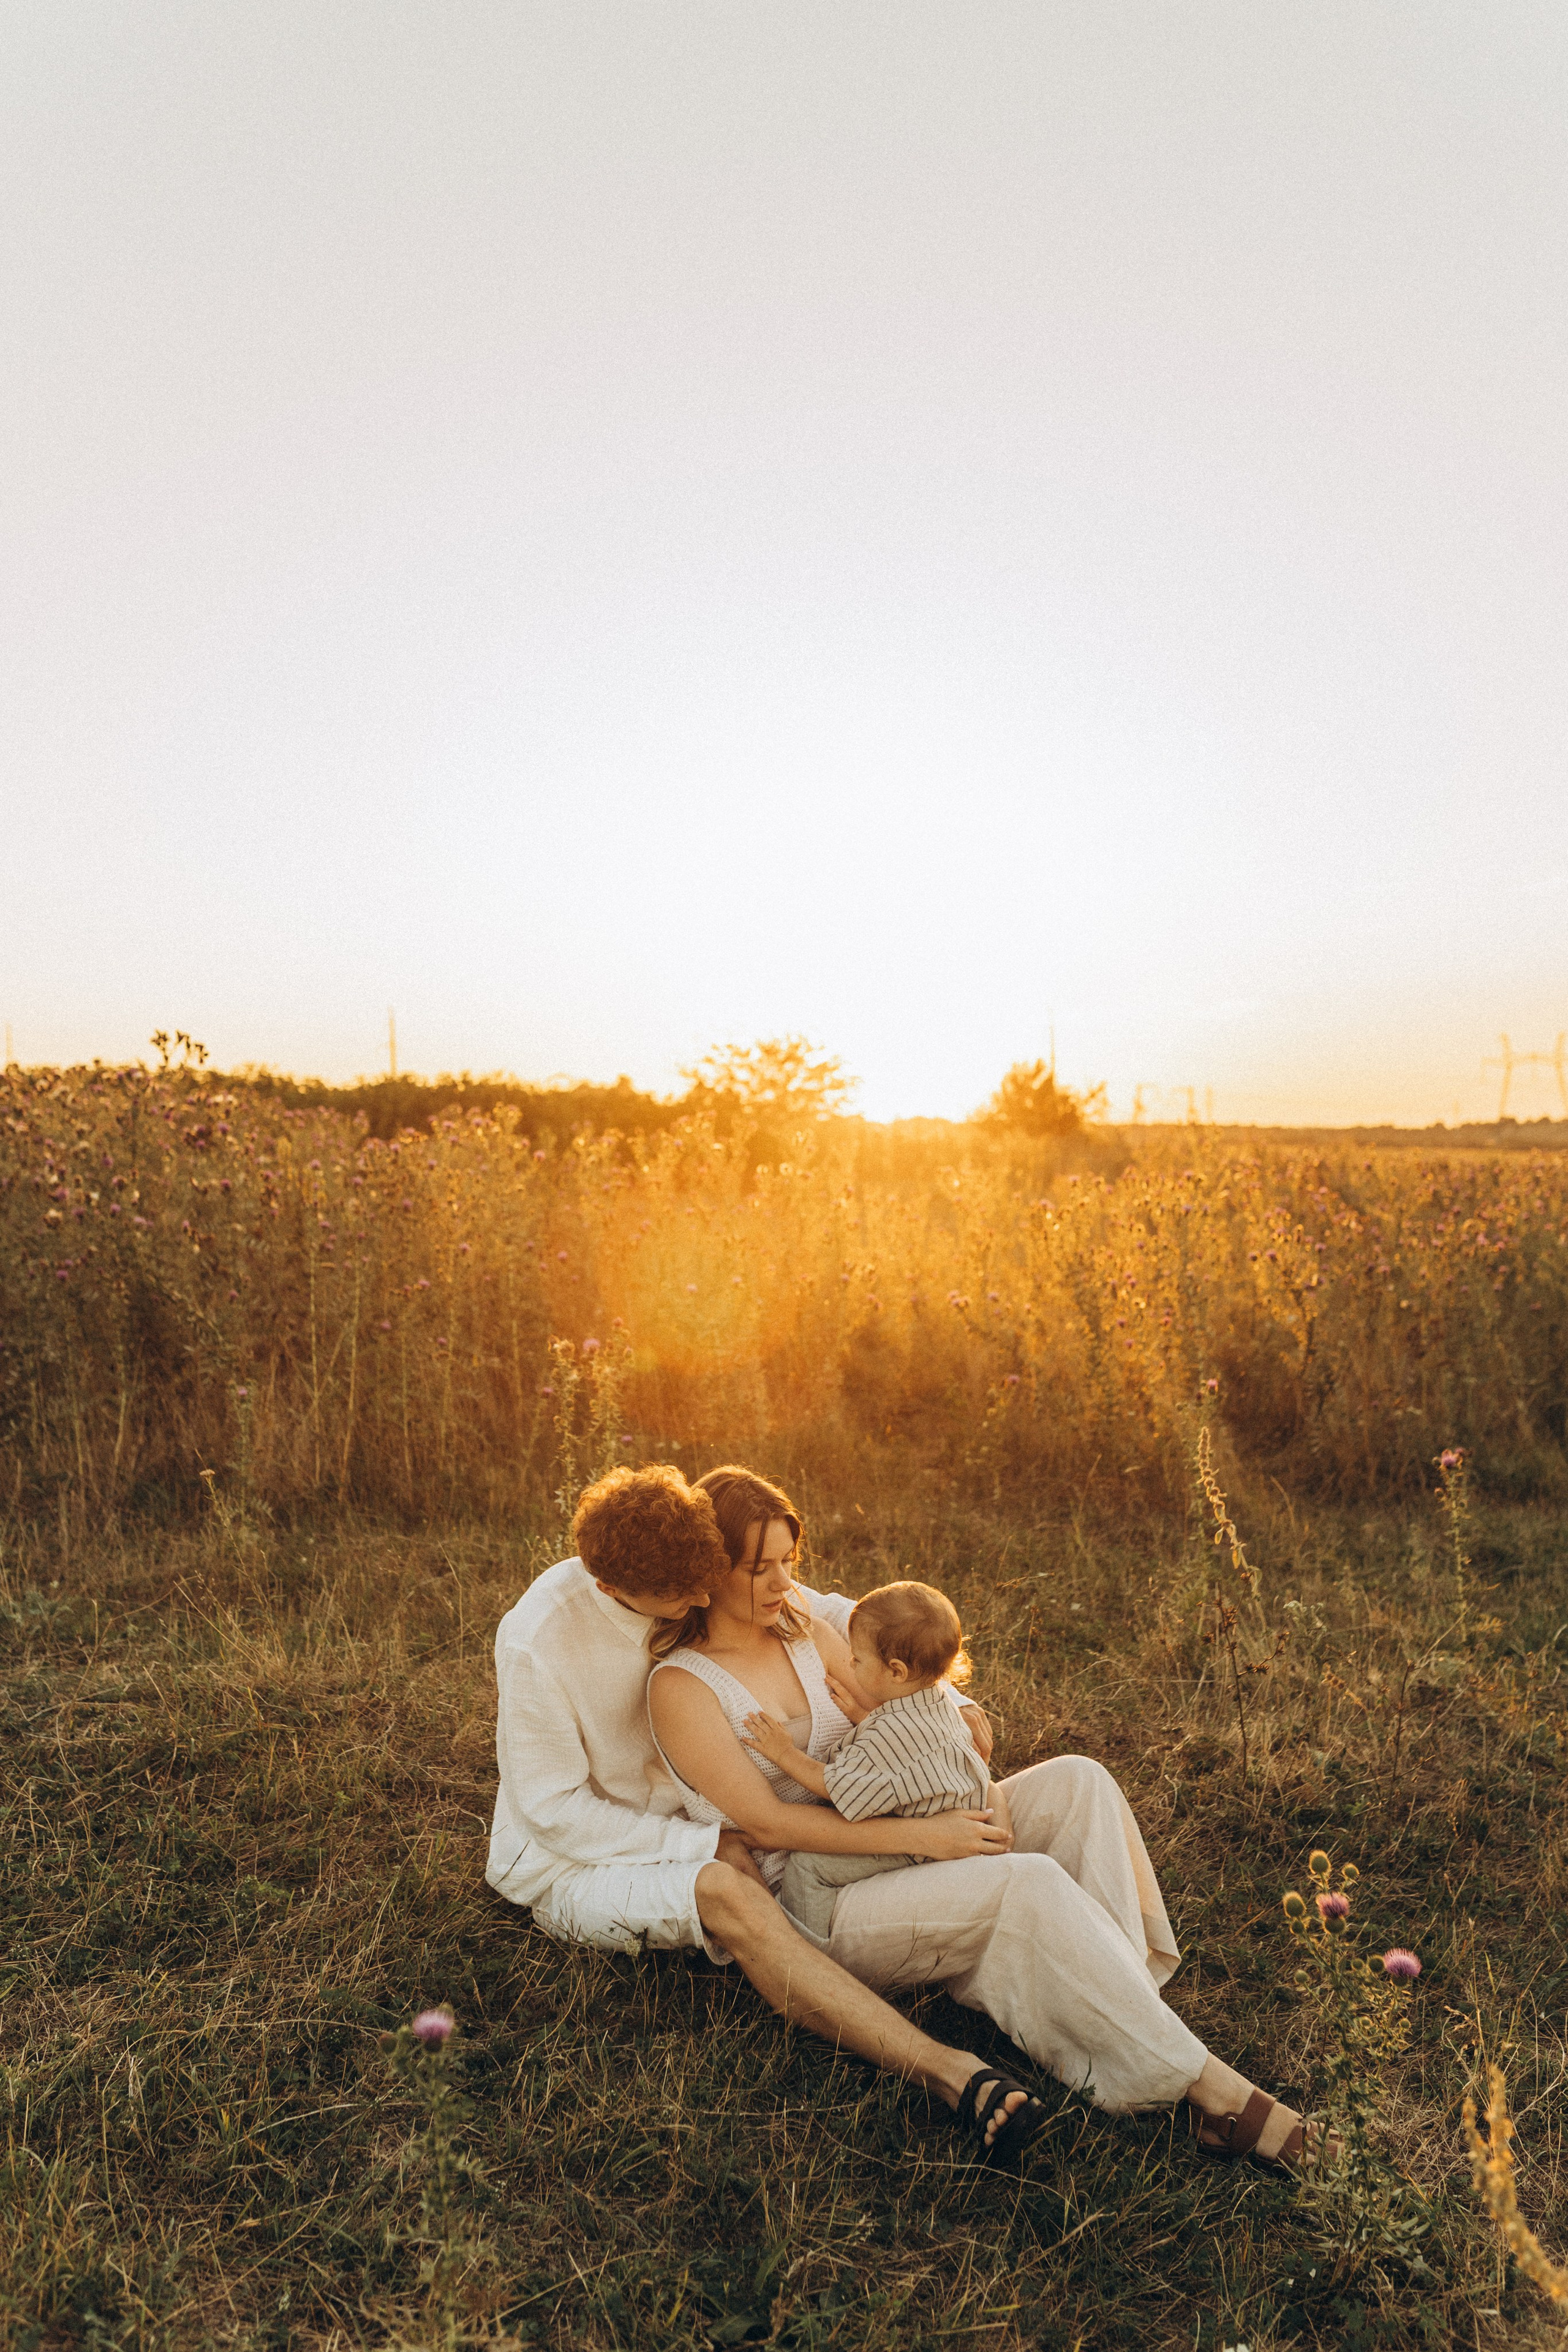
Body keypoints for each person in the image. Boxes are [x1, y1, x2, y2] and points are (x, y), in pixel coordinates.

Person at [488, 1460, 1317, 2169]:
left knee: (1078, 1782)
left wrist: (953, 1704)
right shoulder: (680, 1687)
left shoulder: (805, 1619)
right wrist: (927, 1837)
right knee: (1020, 1885)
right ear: (711, 1577)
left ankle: (1130, 2012)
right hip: (826, 1898)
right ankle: (1211, 2092)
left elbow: (897, 1654)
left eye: (790, 1562)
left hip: (903, 1842)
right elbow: (766, 1829)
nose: (783, 1582)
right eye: (759, 1569)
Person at [739, 1578, 992, 1947]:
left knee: (807, 1866)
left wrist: (784, 1753)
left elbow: (836, 1787)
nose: (850, 1663)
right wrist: (860, 1714)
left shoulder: (887, 1738)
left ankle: (812, 1954)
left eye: (857, 1659)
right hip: (949, 1812)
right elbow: (904, 1745)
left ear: (896, 1672)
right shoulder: (936, 1702)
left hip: (923, 1844)